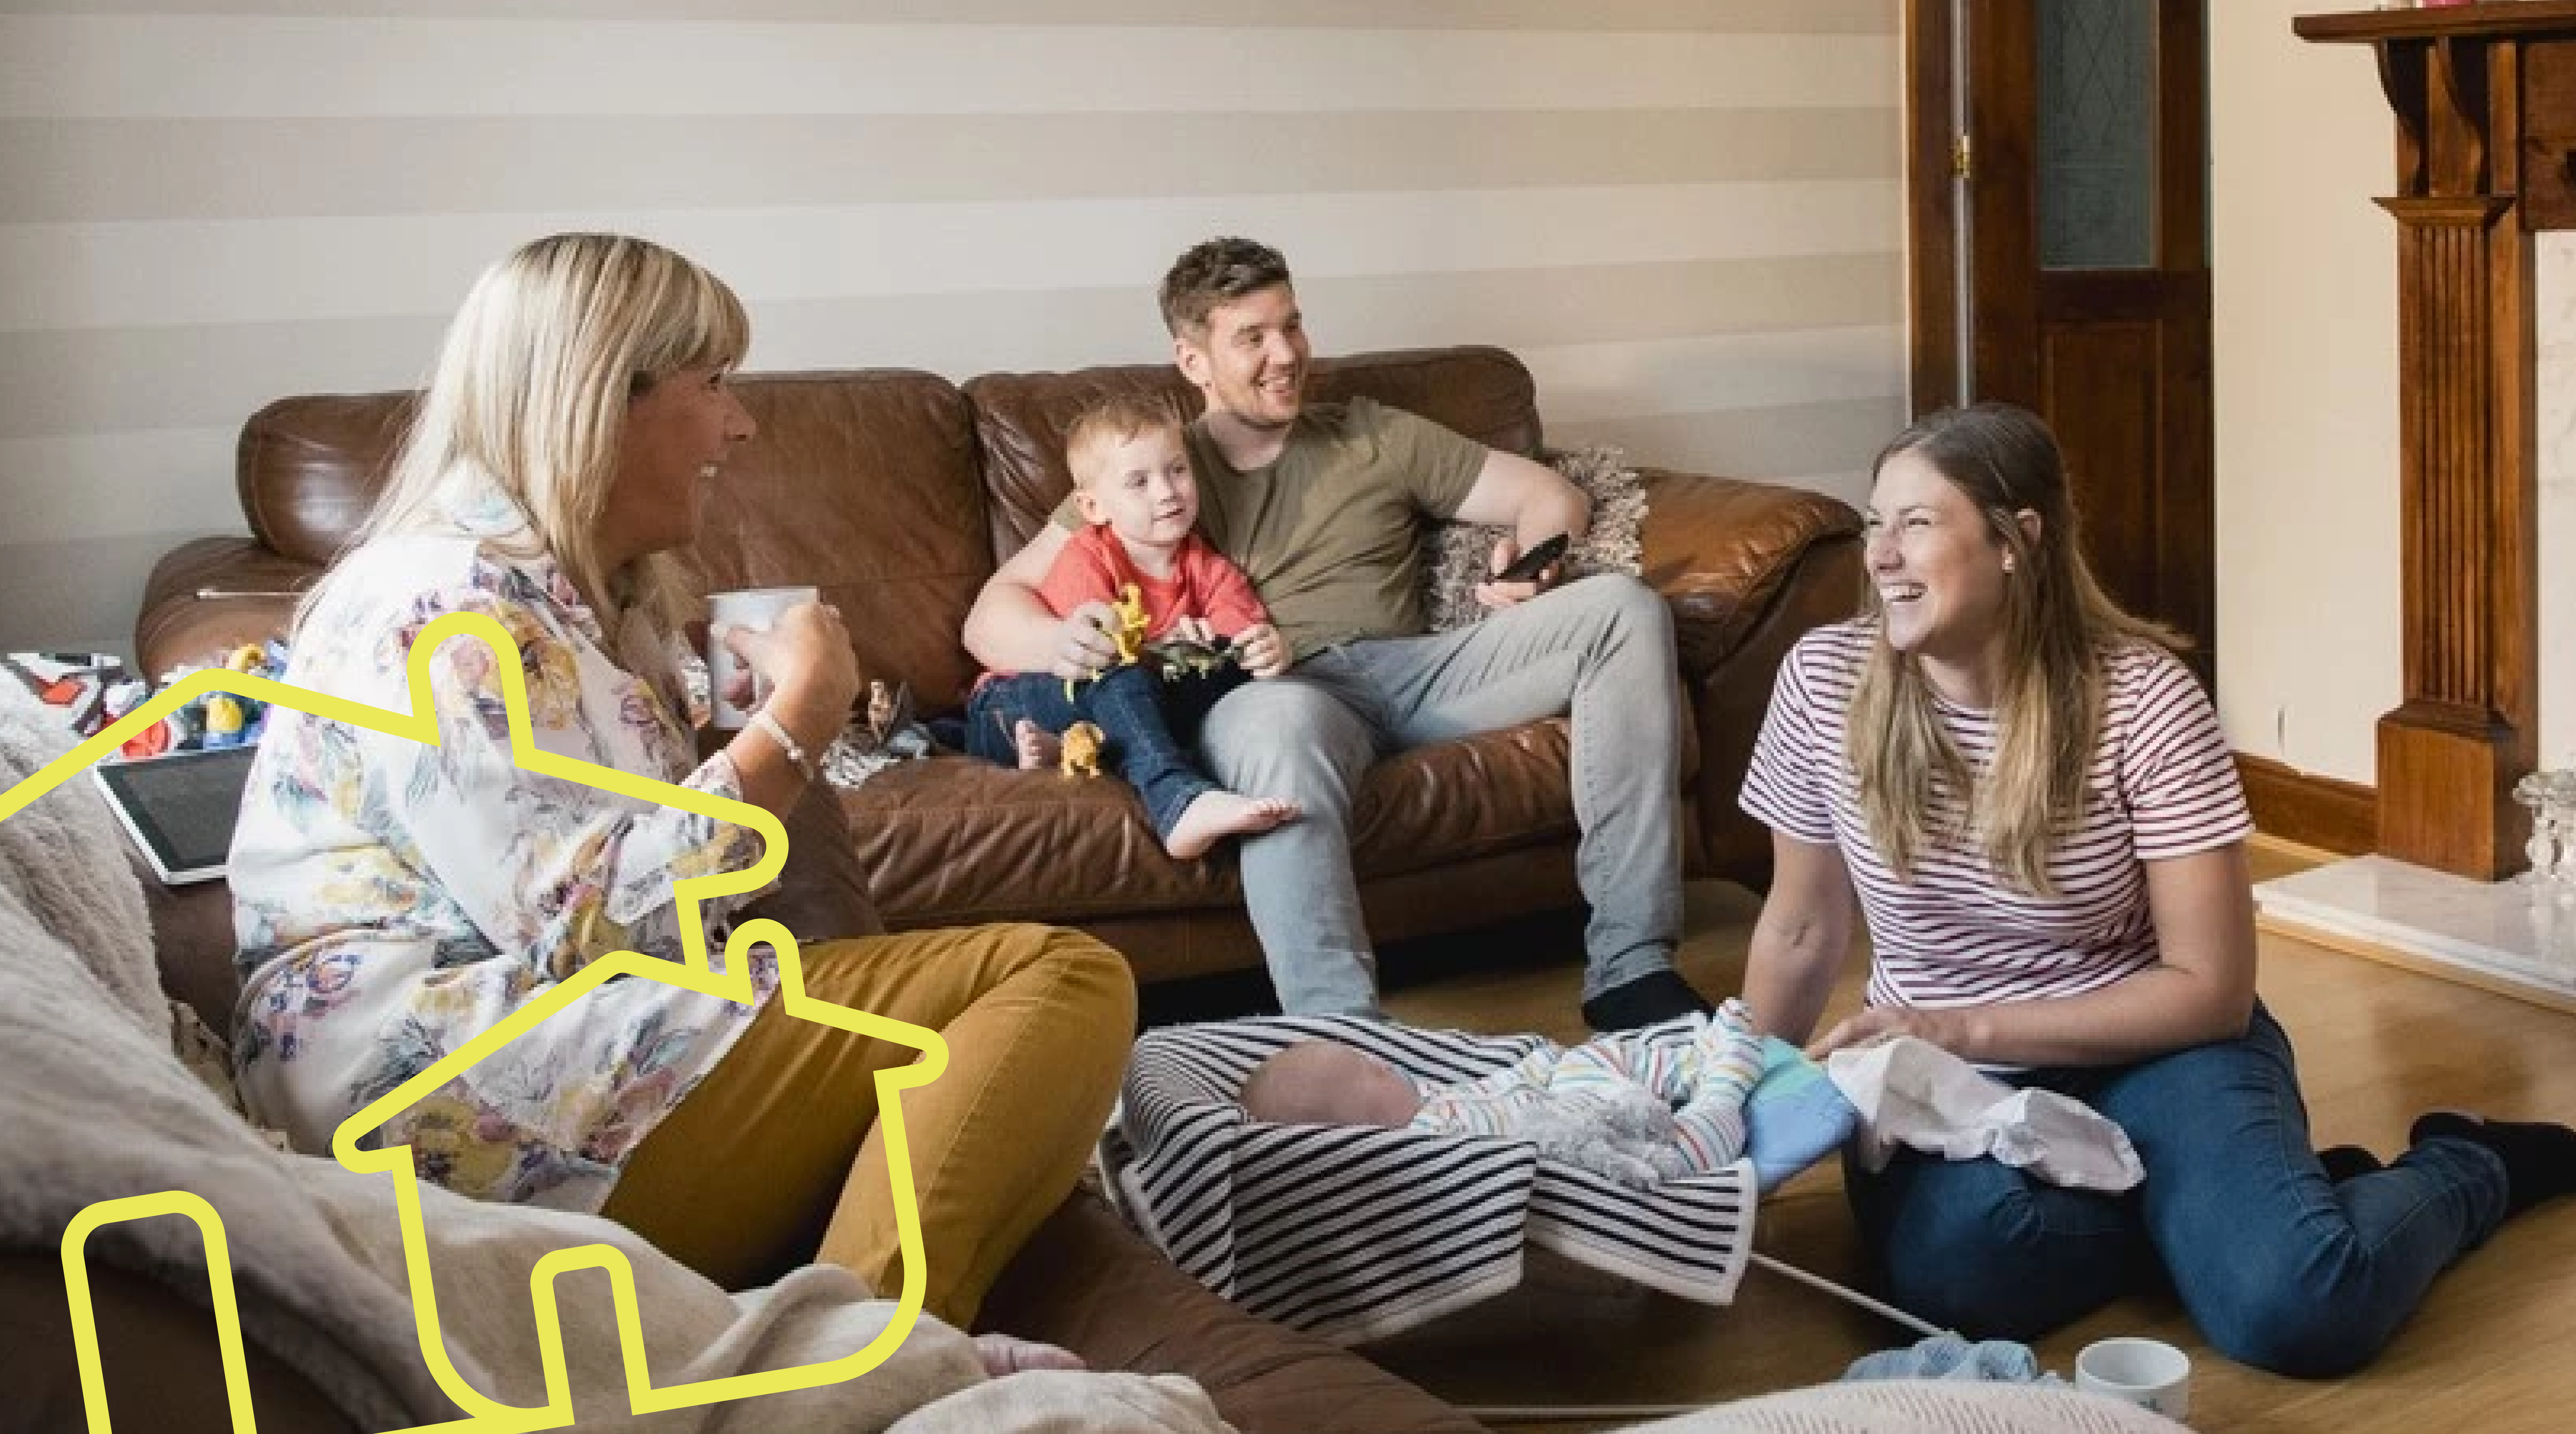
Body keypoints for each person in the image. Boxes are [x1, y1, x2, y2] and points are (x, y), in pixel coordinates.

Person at [227, 232, 1137, 1334]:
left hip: (547, 1057)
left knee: (1005, 1059)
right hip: (444, 1095)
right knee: (1063, 980)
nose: (742, 424)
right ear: (600, 398)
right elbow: (585, 927)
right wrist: (797, 721)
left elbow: (642, 886)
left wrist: (729, 733)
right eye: (715, 386)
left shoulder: (580, 603)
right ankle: (868, 1361)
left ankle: (853, 1334)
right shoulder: (442, 607)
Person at [1736, 400, 2576, 1376]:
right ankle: (2240, 1209)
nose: (1879, 552)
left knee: (2296, 1304)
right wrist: (1729, 1109)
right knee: (1953, 1281)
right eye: (1875, 521)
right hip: (1945, 1084)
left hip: (2154, 1045)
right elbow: (1799, 929)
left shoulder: (2141, 698)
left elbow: (2208, 988)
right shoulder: (1824, 679)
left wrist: (1955, 1025)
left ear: (2017, 541)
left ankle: (2465, 1162)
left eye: (1916, 522)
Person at [960, 235, 1700, 1030]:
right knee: (1281, 721)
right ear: (1192, 358)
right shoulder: (1157, 469)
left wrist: (1534, 561)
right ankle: (1342, 1034)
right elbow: (991, 610)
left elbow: (1548, 493)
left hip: (1415, 673)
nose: (1285, 355)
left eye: (1292, 325)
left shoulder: (1372, 433)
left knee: (1624, 611)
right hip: (1271, 693)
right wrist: (1057, 644)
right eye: (1251, 338)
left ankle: (1632, 968)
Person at [965, 394, 1300, 860]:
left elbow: (1238, 644)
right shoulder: (1090, 554)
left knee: (1219, 678)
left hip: (1105, 706)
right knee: (1124, 678)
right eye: (1138, 482)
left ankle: (1071, 749)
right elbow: (1104, 654)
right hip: (1012, 702)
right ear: (1093, 506)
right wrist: (1171, 649)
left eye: (1178, 470)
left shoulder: (1209, 568)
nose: (1167, 492)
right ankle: (1179, 801)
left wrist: (1263, 650)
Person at [1237, 1001, 1766, 1188]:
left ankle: (1684, 1062)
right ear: (1364, 1134)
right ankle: (1725, 1080)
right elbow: (1520, 1140)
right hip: (1611, 1158)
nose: (1382, 1062)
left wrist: (1545, 1064)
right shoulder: (1431, 1143)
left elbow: (1506, 1086)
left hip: (1576, 1100)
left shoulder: (1435, 1102)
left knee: (1592, 1059)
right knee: (1686, 1147)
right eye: (1367, 1072)